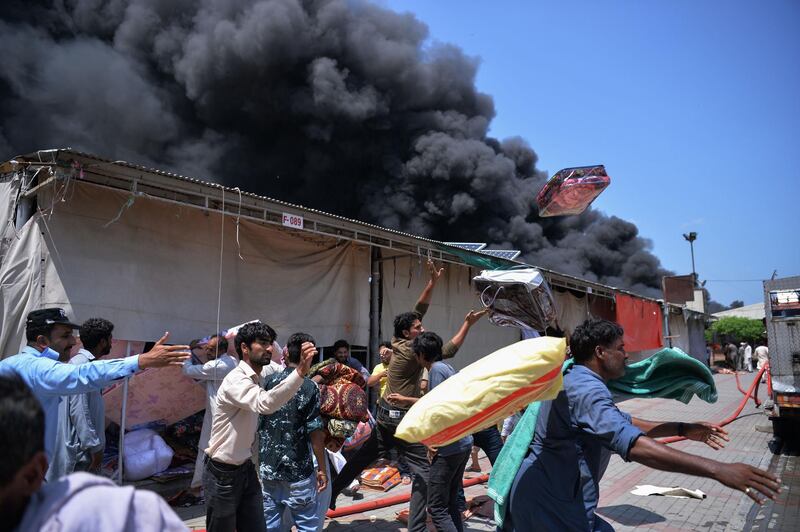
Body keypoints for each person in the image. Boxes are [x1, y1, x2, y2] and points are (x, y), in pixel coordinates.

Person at [505, 319, 781, 531]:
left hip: (555, 497)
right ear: (600, 352)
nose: (626, 355)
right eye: (621, 348)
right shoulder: (586, 389)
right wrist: (718, 469)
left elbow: (627, 423)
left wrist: (683, 428)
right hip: (549, 504)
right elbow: (632, 444)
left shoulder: (577, 377)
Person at [329, 259, 486, 532]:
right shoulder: (413, 352)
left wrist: (432, 283)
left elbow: (419, 310)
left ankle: (331, 492)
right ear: (407, 333)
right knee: (424, 476)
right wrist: (467, 325)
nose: (422, 328)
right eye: (417, 327)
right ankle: (417, 528)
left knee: (359, 460)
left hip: (386, 420)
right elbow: (447, 350)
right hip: (403, 423)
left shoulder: (400, 343)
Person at [0, 308, 189, 463]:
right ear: (42, 341)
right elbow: (82, 378)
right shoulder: (39, 368)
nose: (73, 341)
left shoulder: (10, 364)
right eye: (66, 336)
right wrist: (141, 361)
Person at [0, 375, 187, 531]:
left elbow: (80, 414)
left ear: (32, 475)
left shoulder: (125, 516)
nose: (71, 342)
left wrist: (94, 446)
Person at [203, 321, 316, 532]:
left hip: (245, 469)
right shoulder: (236, 380)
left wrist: (299, 362)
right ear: (245, 348)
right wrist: (300, 371)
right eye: (263, 343)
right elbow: (265, 404)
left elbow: (284, 372)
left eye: (271, 344)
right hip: (222, 474)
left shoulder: (260, 374)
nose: (270, 348)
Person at [258, 332, 327, 531]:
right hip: (298, 471)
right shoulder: (310, 387)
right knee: (307, 525)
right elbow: (315, 431)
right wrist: (321, 468)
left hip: (269, 470)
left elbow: (260, 425)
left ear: (286, 354)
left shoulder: (269, 382)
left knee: (270, 526)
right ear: (310, 357)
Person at [415, 332, 473, 532]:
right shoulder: (447, 368)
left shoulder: (436, 371)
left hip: (450, 447)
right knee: (449, 503)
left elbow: (441, 409)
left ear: (422, 354)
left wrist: (433, 443)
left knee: (437, 508)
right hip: (462, 442)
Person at [47, 318, 115, 482]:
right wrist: (95, 447)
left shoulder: (85, 364)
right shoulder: (82, 366)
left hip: (81, 451)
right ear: (102, 341)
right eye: (110, 339)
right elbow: (79, 411)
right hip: (80, 454)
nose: (111, 343)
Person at [179, 334, 238, 505]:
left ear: (222, 350)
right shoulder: (232, 362)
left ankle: (198, 488)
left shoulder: (218, 366)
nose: (207, 351)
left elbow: (188, 371)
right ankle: (207, 487)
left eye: (211, 349)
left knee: (205, 450)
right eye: (207, 348)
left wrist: (188, 353)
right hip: (226, 416)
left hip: (217, 418)